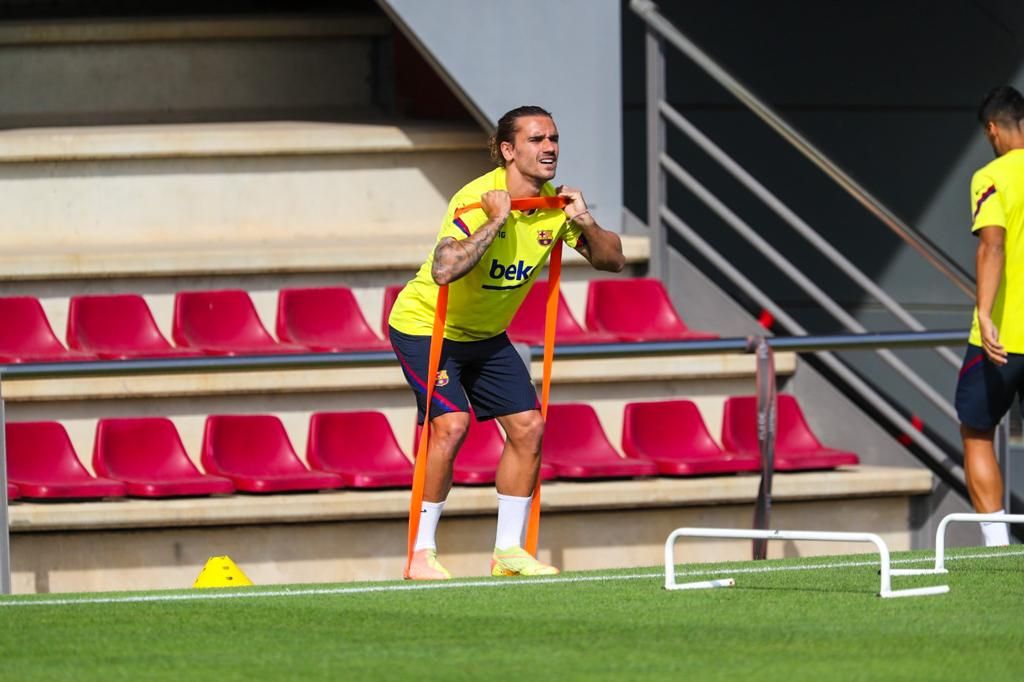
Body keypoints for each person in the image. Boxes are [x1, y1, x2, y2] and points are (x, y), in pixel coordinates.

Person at [388, 105, 626, 579]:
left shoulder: (554, 207)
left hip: (486, 336)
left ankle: (508, 553)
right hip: (425, 326)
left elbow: (612, 261)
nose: (550, 148)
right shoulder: (476, 199)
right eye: (537, 140)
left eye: (553, 138)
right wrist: (495, 222)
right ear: (508, 150)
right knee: (451, 425)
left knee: (529, 428)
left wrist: (585, 221)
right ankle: (421, 553)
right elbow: (444, 269)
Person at [954, 85, 1024, 547]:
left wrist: (984, 310)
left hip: (1002, 337)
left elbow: (993, 244)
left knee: (978, 431)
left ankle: (997, 550)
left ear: (993, 129)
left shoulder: (991, 175)